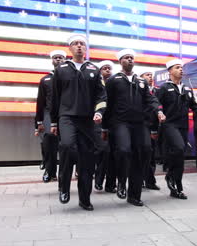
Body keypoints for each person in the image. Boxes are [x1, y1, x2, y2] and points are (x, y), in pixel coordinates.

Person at [50, 34, 107, 211]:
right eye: (75, 44)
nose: (79, 46)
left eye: (82, 44)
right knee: (67, 146)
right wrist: (53, 122)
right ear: (70, 48)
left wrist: (99, 112)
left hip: (88, 121)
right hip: (67, 117)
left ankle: (84, 198)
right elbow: (55, 98)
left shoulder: (93, 69)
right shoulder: (62, 70)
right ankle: (64, 186)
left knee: (87, 159)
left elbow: (102, 95)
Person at [102, 49, 165, 206]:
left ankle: (134, 195)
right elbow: (106, 104)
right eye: (126, 58)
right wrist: (104, 127)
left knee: (144, 151)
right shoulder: (113, 80)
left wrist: (159, 110)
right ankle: (121, 181)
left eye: (132, 58)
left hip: (139, 123)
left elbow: (151, 99)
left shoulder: (141, 82)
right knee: (124, 150)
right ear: (120, 61)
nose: (130, 60)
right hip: (120, 122)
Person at [153, 59, 197, 199]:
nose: (181, 69)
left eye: (181, 67)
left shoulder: (187, 89)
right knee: (179, 148)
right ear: (170, 71)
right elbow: (155, 103)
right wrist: (157, 118)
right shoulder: (163, 88)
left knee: (180, 155)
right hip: (169, 125)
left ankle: (176, 184)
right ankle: (171, 176)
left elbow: (195, 105)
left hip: (183, 125)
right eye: (177, 67)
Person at [35, 50, 66, 183]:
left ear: (65, 60)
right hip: (48, 113)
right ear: (52, 61)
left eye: (61, 58)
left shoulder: (70, 77)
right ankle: (50, 170)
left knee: (66, 144)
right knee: (49, 142)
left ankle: (65, 172)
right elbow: (40, 101)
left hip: (65, 113)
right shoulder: (45, 79)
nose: (58, 60)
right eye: (55, 58)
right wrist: (38, 122)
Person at [94, 60, 116, 193]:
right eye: (104, 68)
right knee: (103, 150)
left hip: (114, 122)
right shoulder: (96, 84)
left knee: (113, 153)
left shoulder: (115, 83)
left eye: (109, 68)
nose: (108, 70)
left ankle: (110, 184)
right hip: (99, 121)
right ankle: (99, 179)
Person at [140, 71, 161, 190]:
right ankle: (140, 178)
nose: (150, 77)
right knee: (142, 152)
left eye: (151, 75)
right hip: (141, 124)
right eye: (147, 74)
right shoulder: (138, 89)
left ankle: (150, 181)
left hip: (154, 126)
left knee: (151, 154)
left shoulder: (157, 91)